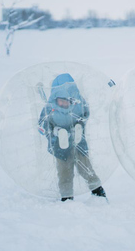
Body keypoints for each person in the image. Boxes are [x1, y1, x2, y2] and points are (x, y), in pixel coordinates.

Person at [38, 73, 106, 201]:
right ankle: (67, 196)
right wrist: (54, 132)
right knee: (64, 173)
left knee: (86, 168)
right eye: (61, 100)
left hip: (78, 142)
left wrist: (79, 124)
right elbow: (41, 126)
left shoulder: (78, 105)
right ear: (55, 98)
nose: (64, 103)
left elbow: (86, 113)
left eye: (67, 100)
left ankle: (97, 189)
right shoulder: (49, 109)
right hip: (60, 146)